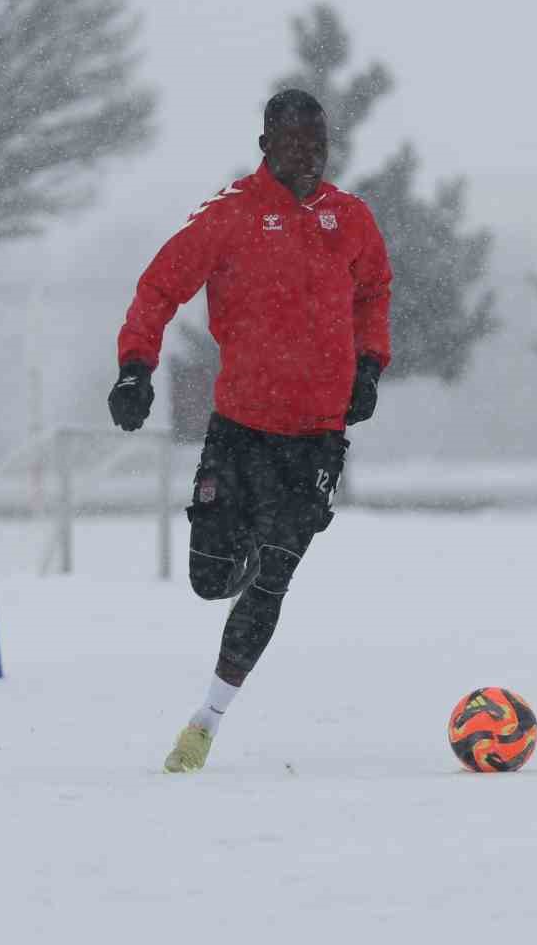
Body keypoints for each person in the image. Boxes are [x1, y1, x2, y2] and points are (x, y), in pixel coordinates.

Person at [109, 89, 392, 772]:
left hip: (318, 435)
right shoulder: (230, 215)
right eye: (294, 142)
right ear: (266, 145)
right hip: (241, 427)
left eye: (318, 142)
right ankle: (241, 554)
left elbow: (374, 291)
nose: (309, 155)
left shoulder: (350, 219)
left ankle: (204, 723)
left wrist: (370, 365)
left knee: (274, 577)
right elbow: (159, 286)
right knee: (212, 579)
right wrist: (135, 368)